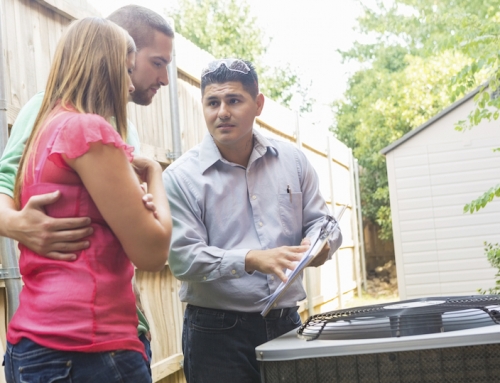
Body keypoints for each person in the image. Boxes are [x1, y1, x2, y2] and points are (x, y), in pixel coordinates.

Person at [0, 4, 174, 362]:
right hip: (87, 340)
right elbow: (153, 251)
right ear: (116, 56)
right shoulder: (81, 126)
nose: (163, 78)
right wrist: (17, 223)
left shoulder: (85, 124)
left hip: (52, 329)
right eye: (155, 63)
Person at [163, 58, 343, 383]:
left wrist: (320, 246)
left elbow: (325, 224)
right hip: (215, 333)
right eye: (212, 103)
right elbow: (183, 259)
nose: (222, 112)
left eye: (234, 100)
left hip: (287, 322)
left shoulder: (294, 162)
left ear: (258, 104)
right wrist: (250, 259)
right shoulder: (180, 177)